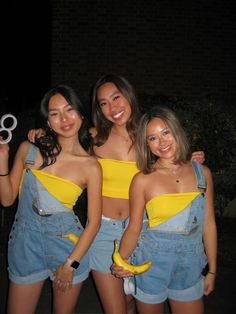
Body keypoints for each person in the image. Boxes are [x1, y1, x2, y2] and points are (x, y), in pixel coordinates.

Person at [27, 74, 205, 314]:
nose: (112, 108)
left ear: (128, 95)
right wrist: (41, 133)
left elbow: (172, 156)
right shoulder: (92, 137)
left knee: (133, 301)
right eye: (103, 103)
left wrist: (190, 160)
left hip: (143, 231)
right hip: (103, 232)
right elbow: (63, 141)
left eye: (116, 98)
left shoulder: (148, 135)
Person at [0, 85, 102, 314]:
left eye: (69, 110)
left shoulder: (91, 166)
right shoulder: (29, 150)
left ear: (81, 114)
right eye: (54, 113)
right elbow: (7, 199)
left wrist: (71, 264)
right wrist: (2, 160)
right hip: (25, 245)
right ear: (47, 121)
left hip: (67, 248)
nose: (64, 119)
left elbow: (94, 222)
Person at [111, 106, 217, 314]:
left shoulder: (202, 173)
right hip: (151, 264)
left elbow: (209, 224)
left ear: (176, 131)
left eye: (165, 132)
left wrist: (212, 270)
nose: (162, 142)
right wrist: (121, 260)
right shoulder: (142, 179)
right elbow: (134, 228)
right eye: (152, 138)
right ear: (147, 144)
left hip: (191, 265)